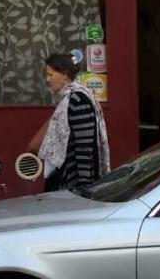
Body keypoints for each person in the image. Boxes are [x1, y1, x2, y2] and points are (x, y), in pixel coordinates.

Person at [26, 52, 111, 192]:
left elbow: (84, 147)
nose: (48, 79)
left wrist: (83, 187)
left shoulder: (78, 99)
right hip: (68, 181)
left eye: (51, 74)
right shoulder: (69, 99)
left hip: (74, 184)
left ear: (65, 74)